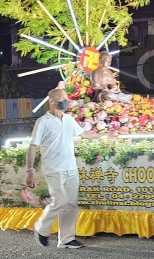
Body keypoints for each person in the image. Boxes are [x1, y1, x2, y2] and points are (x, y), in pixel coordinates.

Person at [26, 88, 106, 249]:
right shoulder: (43, 121)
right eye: (63, 99)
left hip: (71, 167)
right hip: (53, 169)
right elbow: (32, 146)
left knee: (70, 205)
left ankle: (66, 239)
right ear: (52, 101)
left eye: (66, 99)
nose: (66, 102)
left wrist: (104, 135)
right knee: (60, 200)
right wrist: (30, 171)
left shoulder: (69, 119)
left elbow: (84, 134)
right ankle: (41, 228)